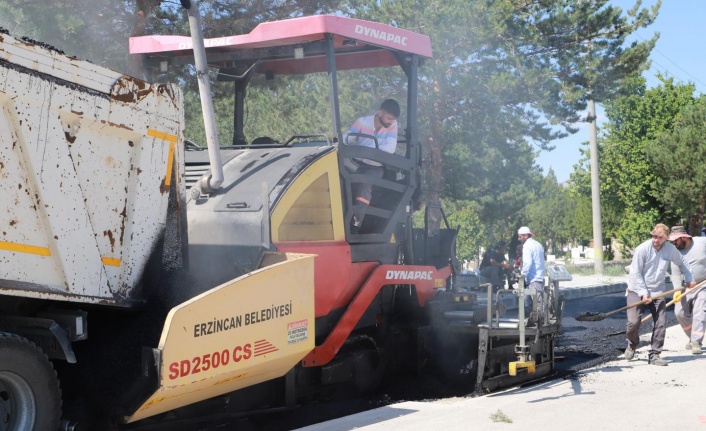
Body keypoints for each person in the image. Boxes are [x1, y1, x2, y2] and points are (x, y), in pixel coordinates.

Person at [625, 223, 696, 366]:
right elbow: (636, 273)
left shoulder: (670, 249)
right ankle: (632, 344)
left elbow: (682, 263)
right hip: (636, 290)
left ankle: (655, 354)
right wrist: (644, 293)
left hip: (657, 291)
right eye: (654, 236)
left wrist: (690, 278)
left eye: (660, 237)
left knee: (660, 323)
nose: (656, 240)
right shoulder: (642, 249)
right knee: (633, 322)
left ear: (666, 238)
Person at [344, 99, 400, 232]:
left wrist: (367, 150)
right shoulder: (362, 122)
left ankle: (355, 225)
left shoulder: (392, 125)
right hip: (356, 164)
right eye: (388, 118)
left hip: (375, 168)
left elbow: (391, 147)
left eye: (393, 119)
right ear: (380, 112)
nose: (390, 122)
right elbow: (346, 138)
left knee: (364, 183)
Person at [668, 226, 705, 355]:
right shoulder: (675, 252)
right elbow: (676, 274)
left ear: (684, 237)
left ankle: (696, 342)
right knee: (679, 312)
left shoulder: (701, 243)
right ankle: (692, 336)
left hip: (703, 285)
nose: (673, 243)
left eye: (675, 240)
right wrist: (677, 291)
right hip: (686, 286)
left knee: (699, 310)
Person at [517, 226, 545, 322]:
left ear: (525, 236)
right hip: (538, 277)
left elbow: (528, 263)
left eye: (520, 237)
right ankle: (533, 321)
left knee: (535, 303)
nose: (519, 239)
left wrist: (522, 275)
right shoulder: (538, 244)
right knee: (533, 301)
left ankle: (537, 324)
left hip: (533, 279)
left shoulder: (527, 246)